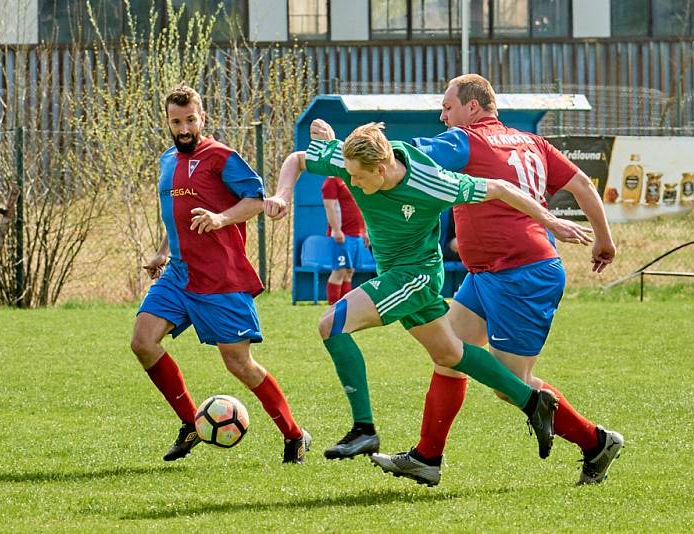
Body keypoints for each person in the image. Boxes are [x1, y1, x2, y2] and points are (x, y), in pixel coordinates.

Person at [265, 119, 594, 485]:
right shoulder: (350, 162)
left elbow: (500, 187)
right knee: (450, 355)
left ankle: (364, 428)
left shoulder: (431, 180)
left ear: (382, 167)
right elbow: (297, 159)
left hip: (415, 275)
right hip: (393, 270)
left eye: (358, 179)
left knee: (331, 325)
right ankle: (532, 402)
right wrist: (282, 194)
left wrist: (552, 221)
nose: (353, 184)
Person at [401, 73, 623, 485]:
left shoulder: (467, 139)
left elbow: (410, 158)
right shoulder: (531, 142)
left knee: (511, 386)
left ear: (472, 107)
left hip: (522, 275)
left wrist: (355, 153)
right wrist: (604, 240)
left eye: (447, 108)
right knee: (449, 354)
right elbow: (581, 186)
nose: (443, 116)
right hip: (486, 275)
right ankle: (427, 457)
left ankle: (596, 442)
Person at [131, 83, 310, 465]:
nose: (184, 128)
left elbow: (256, 201)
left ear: (203, 118)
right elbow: (179, 214)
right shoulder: (167, 161)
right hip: (178, 275)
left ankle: (294, 435)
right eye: (176, 121)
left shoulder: (222, 157)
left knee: (238, 364)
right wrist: (163, 253)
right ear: (167, 121)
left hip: (220, 279)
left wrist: (221, 218)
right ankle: (191, 424)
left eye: (190, 120)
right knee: (143, 342)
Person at [321, 176, 369, 304]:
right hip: (342, 234)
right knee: (339, 270)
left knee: (349, 271)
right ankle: (333, 305)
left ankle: (345, 306)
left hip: (356, 234)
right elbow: (329, 206)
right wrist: (336, 229)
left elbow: (360, 206)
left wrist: (364, 231)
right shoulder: (332, 181)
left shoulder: (351, 179)